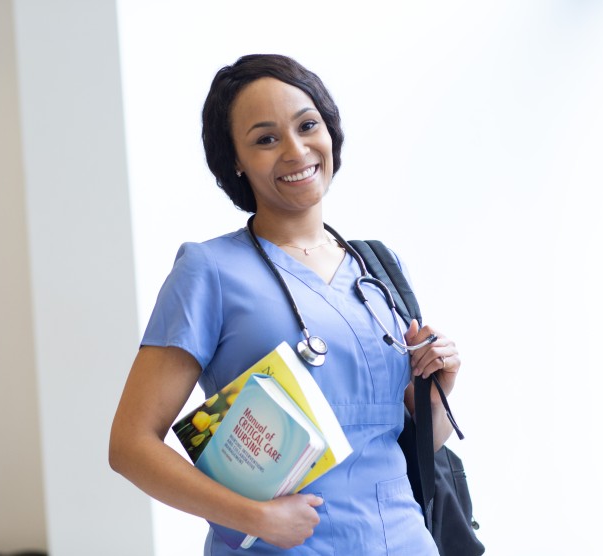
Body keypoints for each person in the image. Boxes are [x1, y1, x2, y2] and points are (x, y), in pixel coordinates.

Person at [109, 54, 461, 555]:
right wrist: (255, 517)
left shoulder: (379, 268)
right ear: (235, 159)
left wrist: (434, 396)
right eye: (266, 139)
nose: (296, 151)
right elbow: (130, 446)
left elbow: (409, 446)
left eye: (307, 125)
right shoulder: (208, 271)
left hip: (401, 540)